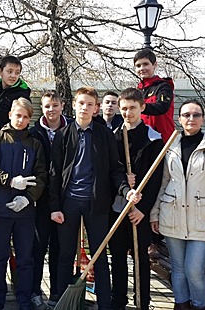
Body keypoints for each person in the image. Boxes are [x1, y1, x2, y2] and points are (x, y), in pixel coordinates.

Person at [49, 87, 139, 310]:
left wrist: (125, 189)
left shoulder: (104, 135)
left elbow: (115, 169)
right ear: (74, 105)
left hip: (96, 203)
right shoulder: (63, 135)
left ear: (96, 108)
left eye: (90, 104)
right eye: (81, 103)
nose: (85, 108)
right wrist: (54, 206)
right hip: (69, 202)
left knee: (99, 255)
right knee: (65, 254)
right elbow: (54, 173)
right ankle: (61, 301)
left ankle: (104, 303)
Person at [150, 99, 205, 310]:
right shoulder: (171, 146)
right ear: (179, 119)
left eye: (196, 115)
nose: (191, 119)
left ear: (203, 119)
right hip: (173, 217)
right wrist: (155, 213)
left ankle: (199, 305)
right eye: (186, 115)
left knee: (194, 270)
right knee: (178, 269)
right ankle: (181, 304)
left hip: (203, 220)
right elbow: (164, 182)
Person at [0, 98, 46, 310]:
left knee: (25, 259)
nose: (21, 120)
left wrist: (28, 197)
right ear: (10, 115)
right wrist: (9, 180)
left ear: (30, 119)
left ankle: (24, 300)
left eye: (26, 117)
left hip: (25, 212)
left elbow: (41, 175)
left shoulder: (34, 143)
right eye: (18, 115)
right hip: (0, 208)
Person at [109, 88, 164, 310]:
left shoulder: (153, 140)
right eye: (123, 108)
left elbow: (156, 178)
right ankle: (118, 301)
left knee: (141, 258)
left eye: (132, 108)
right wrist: (124, 181)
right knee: (118, 257)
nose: (128, 113)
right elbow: (111, 171)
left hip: (140, 212)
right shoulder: (114, 137)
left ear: (142, 107)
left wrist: (144, 209)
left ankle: (142, 302)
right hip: (118, 207)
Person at [28, 91, 69, 308]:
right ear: (41, 108)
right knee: (38, 248)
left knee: (60, 250)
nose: (51, 110)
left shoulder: (70, 129)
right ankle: (35, 291)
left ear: (62, 106)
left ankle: (57, 292)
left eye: (54, 105)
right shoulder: (34, 133)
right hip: (41, 200)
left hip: (65, 199)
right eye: (46, 106)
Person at [0, 55, 31, 134]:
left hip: (11, 139)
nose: (13, 76)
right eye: (10, 71)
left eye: (17, 73)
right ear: (0, 71)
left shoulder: (22, 95)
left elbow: (22, 123)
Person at [134, 48, 174, 142]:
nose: (142, 68)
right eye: (138, 66)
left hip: (162, 140)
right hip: (142, 140)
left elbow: (162, 107)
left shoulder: (164, 86)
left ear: (155, 65)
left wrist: (139, 107)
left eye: (146, 64)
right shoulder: (137, 90)